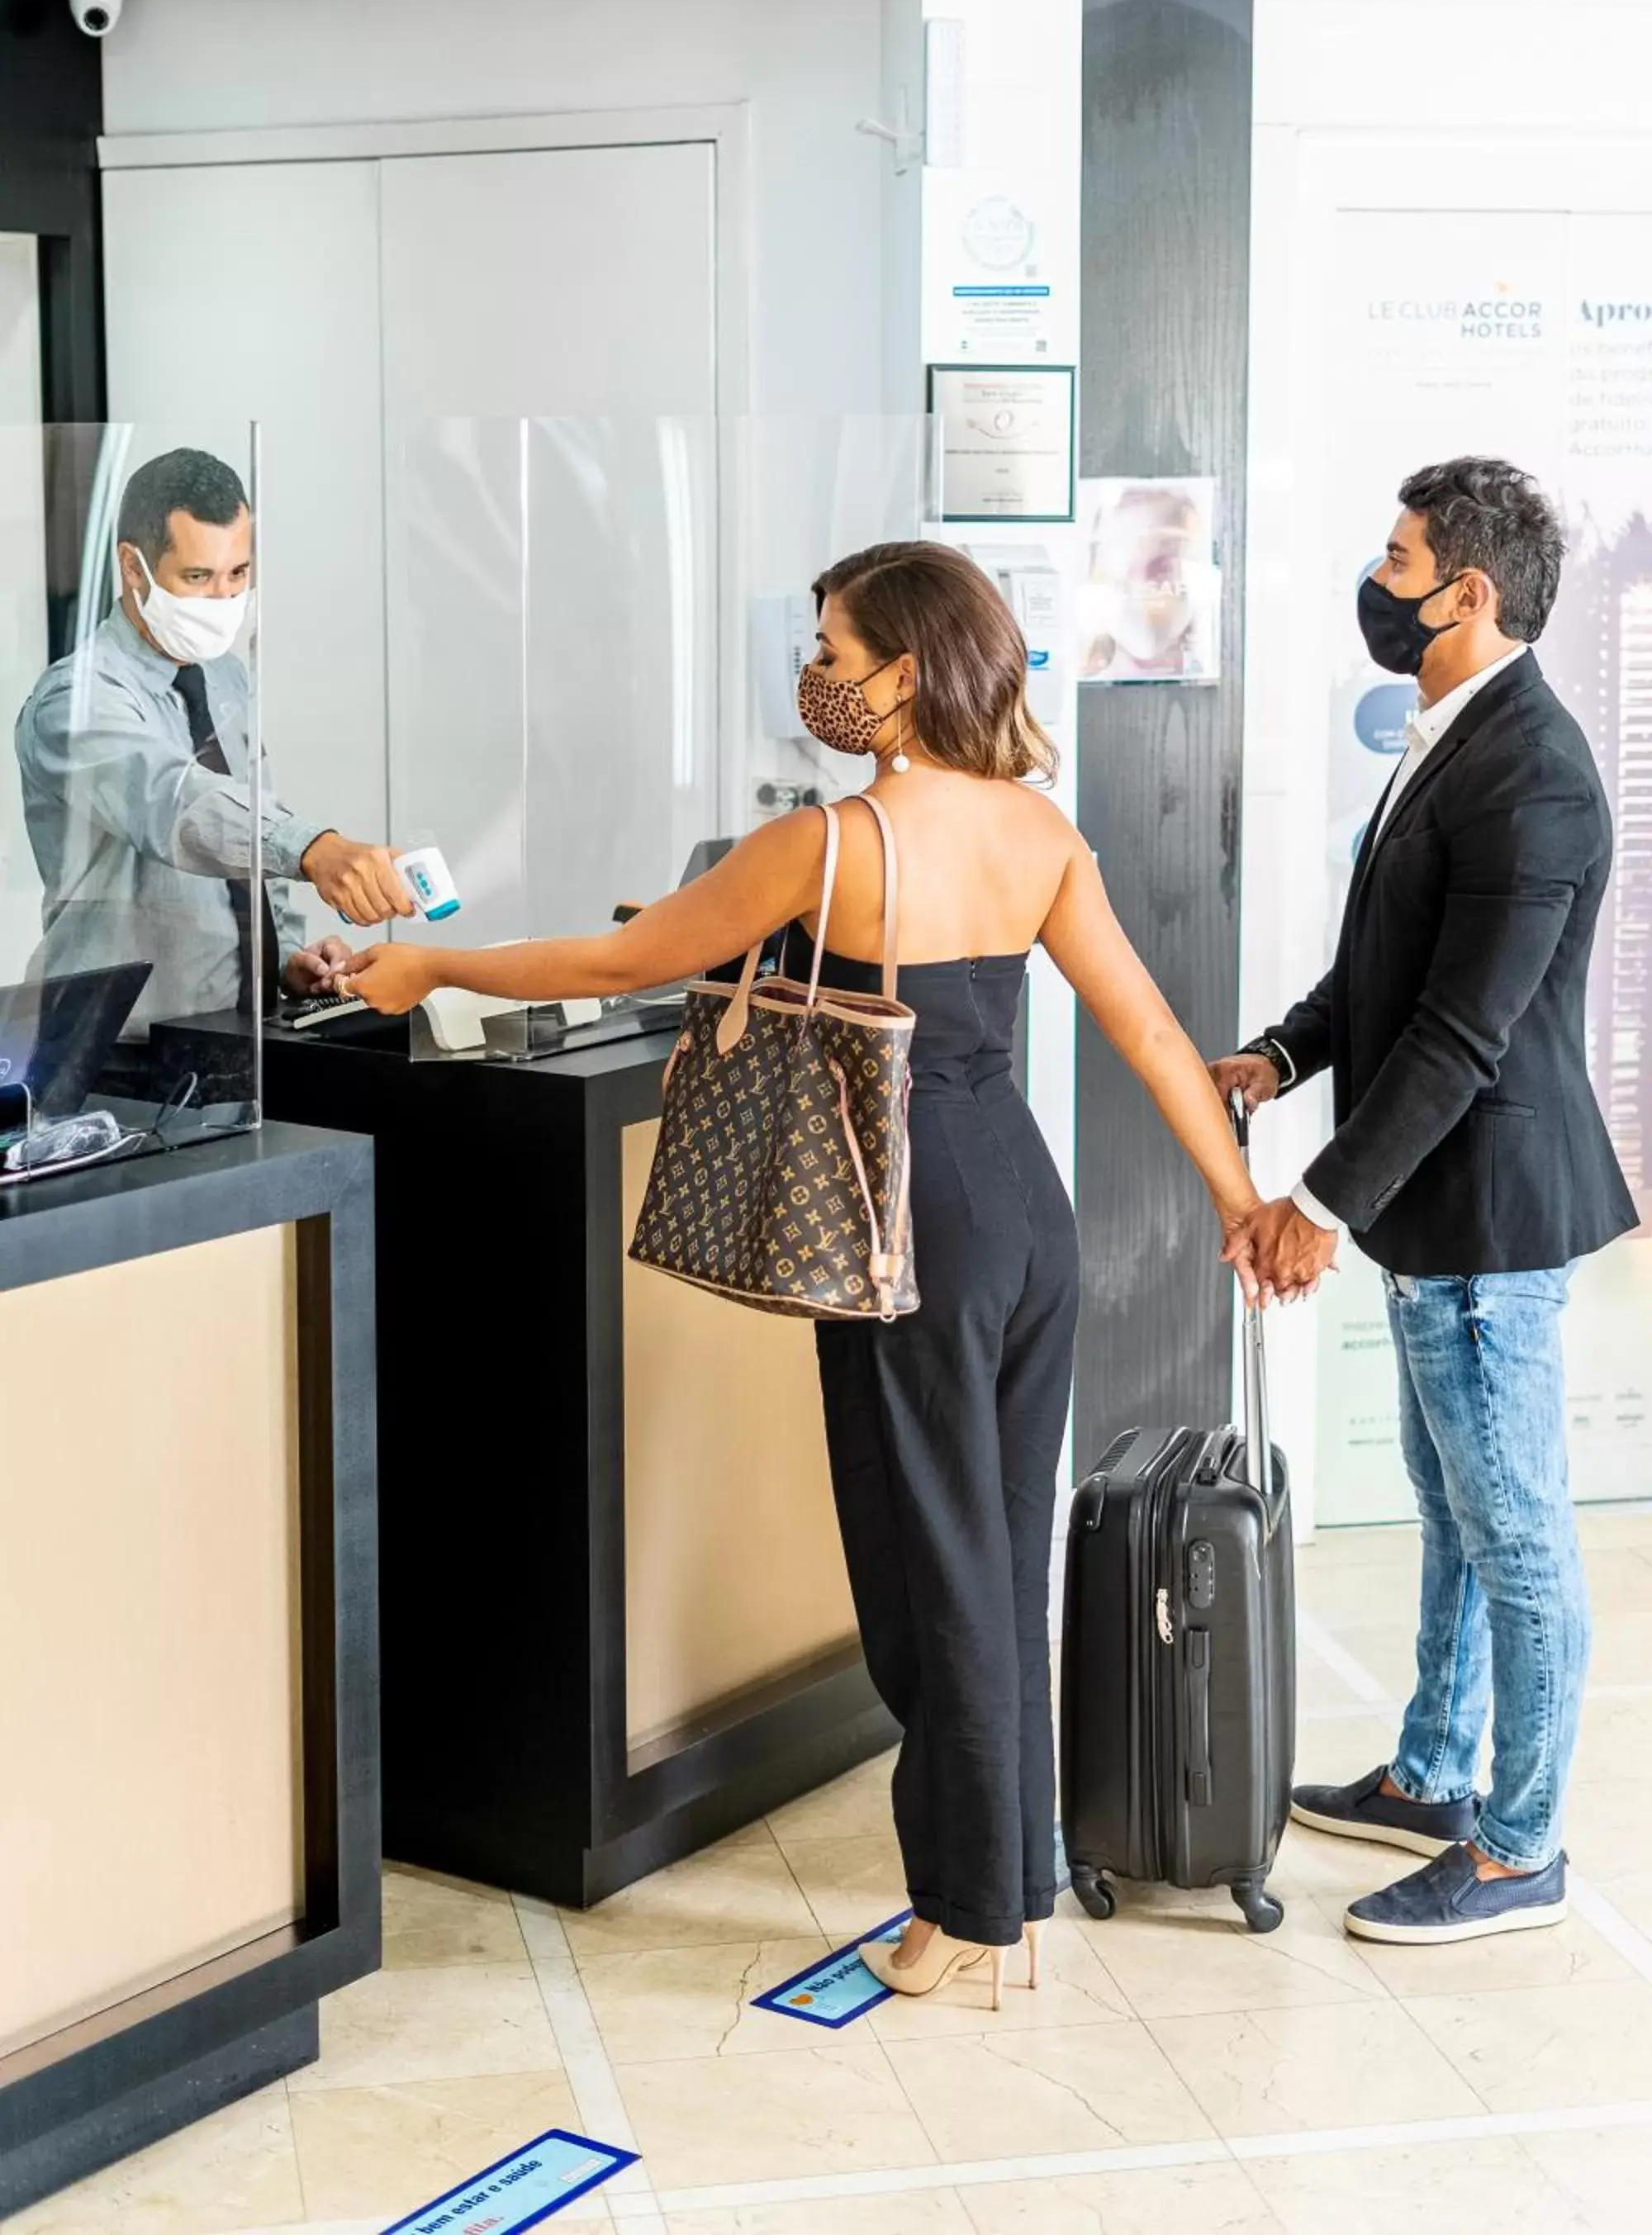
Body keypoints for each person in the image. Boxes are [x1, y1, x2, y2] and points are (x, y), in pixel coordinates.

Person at [344, 537, 1262, 2003]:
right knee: (998, 1555)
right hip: (1027, 1211)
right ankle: (1008, 1873)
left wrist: (434, 968)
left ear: (900, 677)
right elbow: (1152, 1031)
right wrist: (1239, 1204)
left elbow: (615, 965)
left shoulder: (831, 845)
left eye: (832, 657)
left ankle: (968, 1915)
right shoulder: (1036, 830)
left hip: (907, 1227)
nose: (815, 682)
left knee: (928, 1580)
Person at [1213, 458, 1637, 1949]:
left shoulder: (1536, 772)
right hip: (1433, 1211)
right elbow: (1386, 973)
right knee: (1456, 1519)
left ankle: (1520, 1852)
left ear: (1468, 591)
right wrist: (1278, 1053)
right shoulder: (1448, 734)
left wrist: (1315, 1205)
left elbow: (1465, 1032)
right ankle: (1435, 1776)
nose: (1376, 580)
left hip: (1484, 1217)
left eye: (1396, 558)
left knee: (1516, 1533)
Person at [15, 447, 413, 1051]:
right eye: (197, 577)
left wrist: (283, 959)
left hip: (235, 1040)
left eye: (239, 574)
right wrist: (313, 848)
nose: (223, 599)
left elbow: (249, 822)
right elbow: (175, 804)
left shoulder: (224, 677)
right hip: (114, 1052)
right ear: (133, 566)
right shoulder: (74, 700)